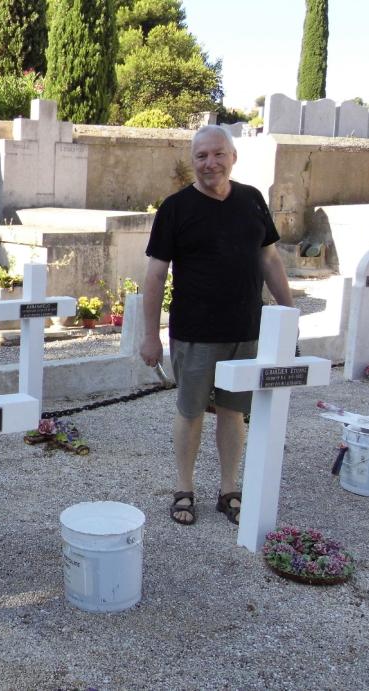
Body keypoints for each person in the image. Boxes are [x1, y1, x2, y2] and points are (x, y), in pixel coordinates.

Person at [139, 125, 294, 527]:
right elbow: (155, 275)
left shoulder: (252, 201)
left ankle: (229, 490)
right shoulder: (175, 208)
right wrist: (150, 335)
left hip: (245, 328)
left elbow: (270, 260)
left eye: (218, 154)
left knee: (233, 412)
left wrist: (289, 315)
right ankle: (184, 488)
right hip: (195, 331)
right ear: (192, 162)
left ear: (233, 157)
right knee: (191, 411)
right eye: (201, 156)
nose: (210, 163)